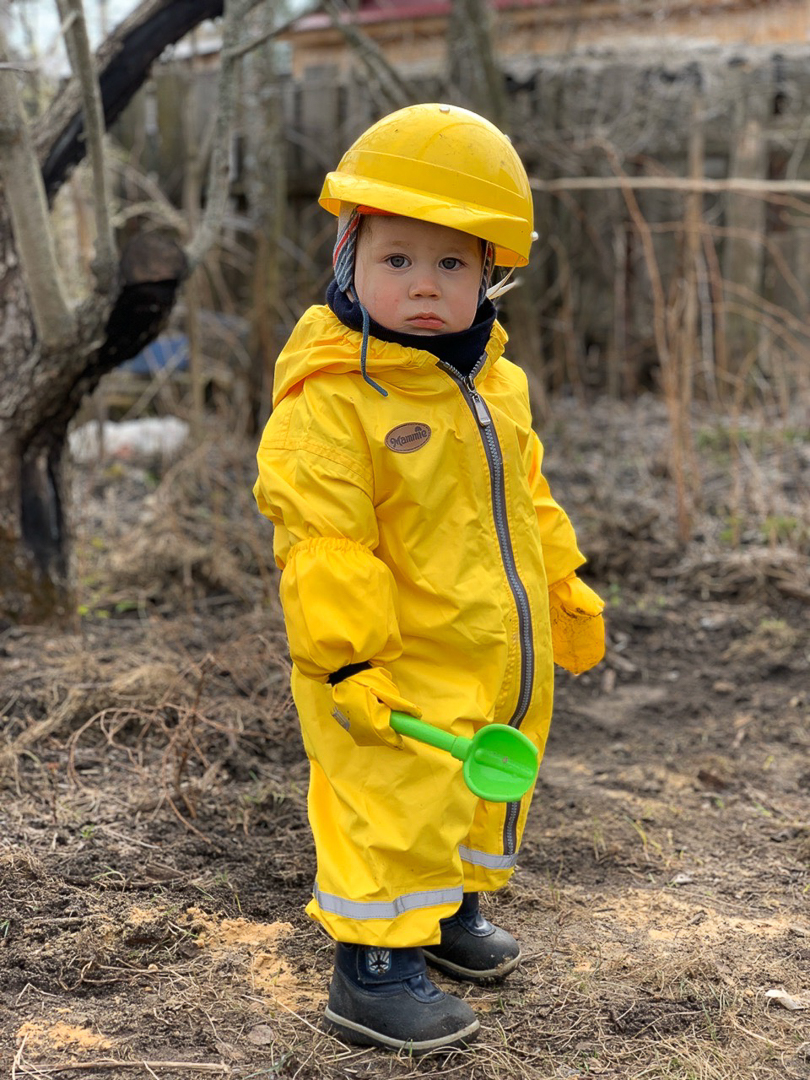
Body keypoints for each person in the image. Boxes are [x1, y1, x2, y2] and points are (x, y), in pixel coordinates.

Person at [253, 102, 605, 1053]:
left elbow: (527, 500)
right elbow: (324, 546)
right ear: (348, 258)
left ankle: (445, 914)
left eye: (451, 264)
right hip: (385, 664)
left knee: (482, 778)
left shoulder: (495, 382)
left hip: (488, 645)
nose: (422, 286)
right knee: (395, 796)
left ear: (493, 274)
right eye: (397, 259)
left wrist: (565, 585)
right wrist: (346, 662)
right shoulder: (333, 399)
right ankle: (373, 967)